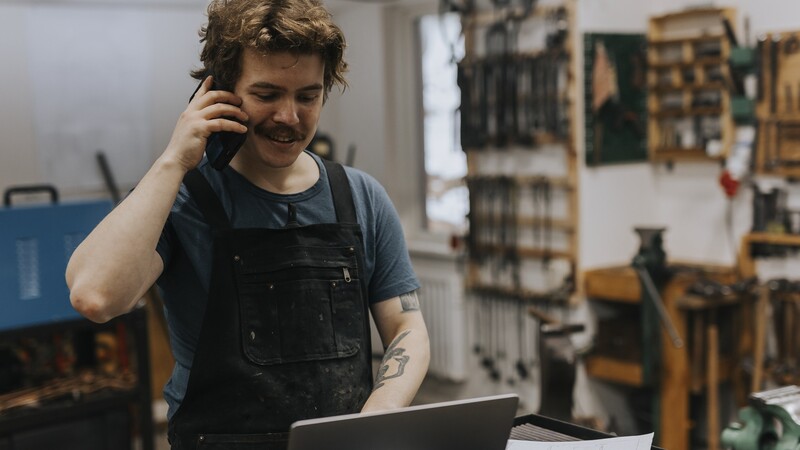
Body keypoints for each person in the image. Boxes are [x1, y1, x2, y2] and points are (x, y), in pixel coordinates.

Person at [65, 0, 430, 448]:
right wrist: (175, 159)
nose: (289, 117)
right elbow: (95, 296)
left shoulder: (360, 197)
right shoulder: (184, 198)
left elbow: (407, 327)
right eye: (267, 94)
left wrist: (379, 417)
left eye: (307, 96)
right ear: (218, 92)